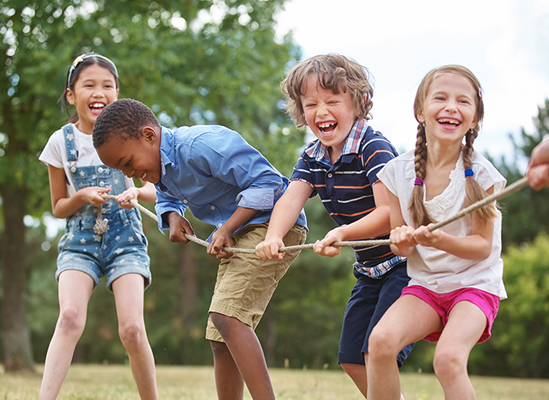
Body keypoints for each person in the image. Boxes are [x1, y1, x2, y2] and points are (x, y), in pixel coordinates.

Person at [92, 98, 308, 400]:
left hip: (273, 227)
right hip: (241, 233)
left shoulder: (199, 146)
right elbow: (168, 196)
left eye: (128, 163)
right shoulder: (162, 169)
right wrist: (173, 217)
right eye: (120, 170)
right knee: (220, 338)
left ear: (149, 136)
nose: (130, 175)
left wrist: (227, 227)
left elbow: (268, 183)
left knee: (228, 318)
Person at [254, 54, 413, 398]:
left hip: (405, 265)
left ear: (358, 102)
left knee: (376, 350)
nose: (321, 111)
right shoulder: (313, 156)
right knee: (352, 359)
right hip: (370, 270)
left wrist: (341, 232)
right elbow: (290, 199)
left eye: (332, 101)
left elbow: (387, 212)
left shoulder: (373, 147)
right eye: (310, 104)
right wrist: (273, 236)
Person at [367, 65, 507, 400]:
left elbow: (482, 247)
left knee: (447, 360)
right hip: (427, 286)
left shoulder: (484, 175)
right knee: (380, 343)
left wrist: (440, 240)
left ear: (474, 119)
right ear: (420, 111)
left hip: (474, 286)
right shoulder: (396, 173)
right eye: (440, 98)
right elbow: (402, 247)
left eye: (463, 101)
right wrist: (400, 241)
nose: (451, 107)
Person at [38, 53, 158, 400]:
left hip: (126, 239)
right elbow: (59, 207)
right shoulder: (60, 142)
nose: (99, 92)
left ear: (117, 93)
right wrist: (83, 197)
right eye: (88, 85)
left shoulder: (136, 135)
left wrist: (136, 191)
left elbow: (154, 188)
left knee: (133, 329)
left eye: (107, 85)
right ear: (72, 94)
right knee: (71, 317)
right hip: (80, 240)